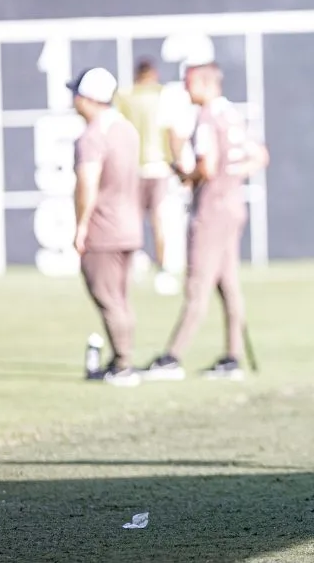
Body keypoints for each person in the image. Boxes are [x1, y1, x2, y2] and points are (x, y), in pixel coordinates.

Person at [143, 62, 269, 381]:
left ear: (204, 83)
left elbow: (207, 167)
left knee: (197, 285)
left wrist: (187, 176)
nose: (186, 89)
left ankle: (172, 358)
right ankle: (232, 357)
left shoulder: (207, 118)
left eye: (189, 83)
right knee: (228, 285)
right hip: (233, 206)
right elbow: (259, 156)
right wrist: (232, 176)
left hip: (211, 211)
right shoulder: (231, 115)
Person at [69, 67, 143, 388]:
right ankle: (120, 360)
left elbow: (87, 183)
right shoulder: (126, 129)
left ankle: (124, 365)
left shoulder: (92, 135)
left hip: (104, 228)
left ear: (88, 98)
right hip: (129, 226)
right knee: (120, 299)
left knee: (108, 298)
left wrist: (81, 226)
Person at [114, 58, 180, 295]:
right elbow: (171, 131)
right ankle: (162, 269)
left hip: (133, 167)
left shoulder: (125, 97)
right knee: (159, 220)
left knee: (132, 219)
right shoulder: (163, 96)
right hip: (159, 167)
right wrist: (176, 161)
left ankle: (133, 263)